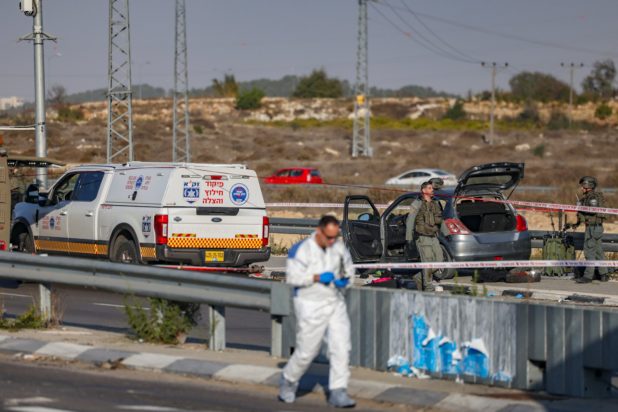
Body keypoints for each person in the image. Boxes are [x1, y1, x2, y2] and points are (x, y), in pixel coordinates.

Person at [279, 215, 356, 408]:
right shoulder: (302, 249)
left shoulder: (339, 248)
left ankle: (338, 391)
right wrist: (316, 277)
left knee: (341, 347)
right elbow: (292, 278)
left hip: (335, 302)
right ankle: (288, 379)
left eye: (335, 237)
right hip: (310, 304)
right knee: (307, 351)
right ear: (319, 231)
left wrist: (345, 281)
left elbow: (350, 271)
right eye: (328, 237)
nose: (332, 241)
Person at [567, 176, 609, 283]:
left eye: (583, 186)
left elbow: (593, 210)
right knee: (598, 251)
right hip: (595, 227)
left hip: (593, 228)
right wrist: (577, 221)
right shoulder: (589, 197)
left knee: (589, 251)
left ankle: (588, 276)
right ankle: (604, 274)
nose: (581, 188)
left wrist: (581, 207)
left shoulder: (592, 197)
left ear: (588, 186)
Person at [413, 181, 444, 291]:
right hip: (423, 237)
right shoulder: (417, 203)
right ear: (424, 190)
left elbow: (440, 219)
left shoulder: (435, 203)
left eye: (432, 188)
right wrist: (409, 238)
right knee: (427, 263)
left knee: (440, 260)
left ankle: (418, 277)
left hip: (434, 236)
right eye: (430, 188)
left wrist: (446, 233)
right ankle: (428, 286)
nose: (432, 190)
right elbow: (410, 221)